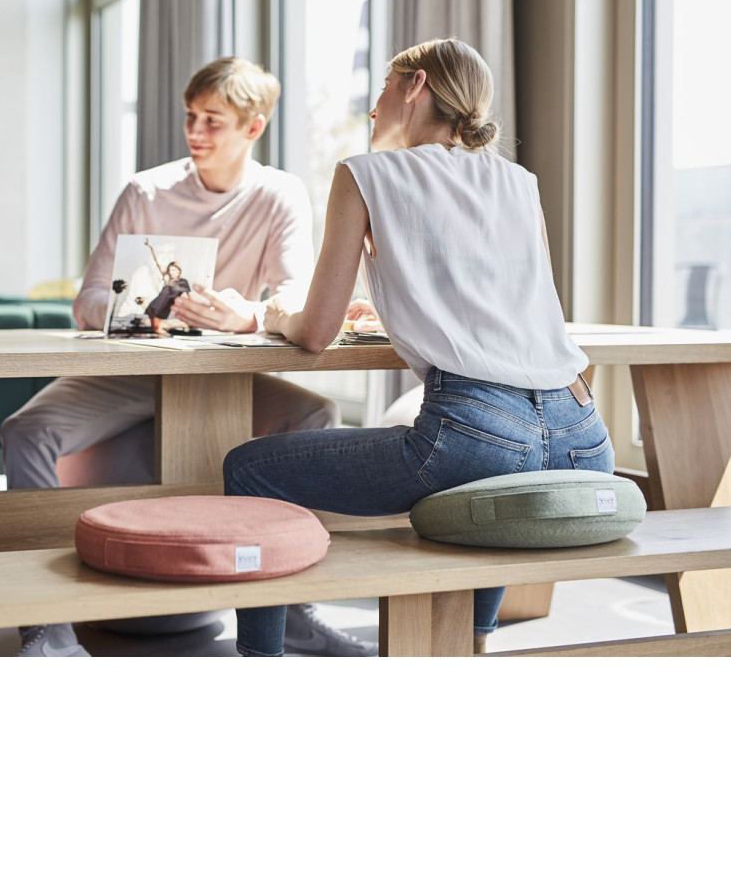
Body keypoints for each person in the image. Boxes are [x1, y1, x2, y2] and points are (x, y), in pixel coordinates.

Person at [224, 37, 614, 657]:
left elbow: (316, 332)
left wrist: (275, 315)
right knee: (499, 486)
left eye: (383, 87)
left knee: (249, 469)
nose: (373, 105)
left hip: (478, 436)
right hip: (584, 435)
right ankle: (472, 650)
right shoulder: (519, 182)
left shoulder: (365, 174)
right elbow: (516, 305)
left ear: (415, 86)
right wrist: (395, 311)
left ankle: (260, 662)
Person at [1, 57, 371, 658]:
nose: (195, 132)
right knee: (25, 431)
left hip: (222, 377)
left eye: (212, 121)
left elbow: (296, 297)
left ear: (253, 127)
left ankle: (291, 615)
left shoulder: (279, 194)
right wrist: (141, 310)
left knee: (316, 415)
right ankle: (48, 629)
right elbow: (86, 300)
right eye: (190, 117)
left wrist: (244, 316)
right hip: (133, 368)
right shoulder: (146, 191)